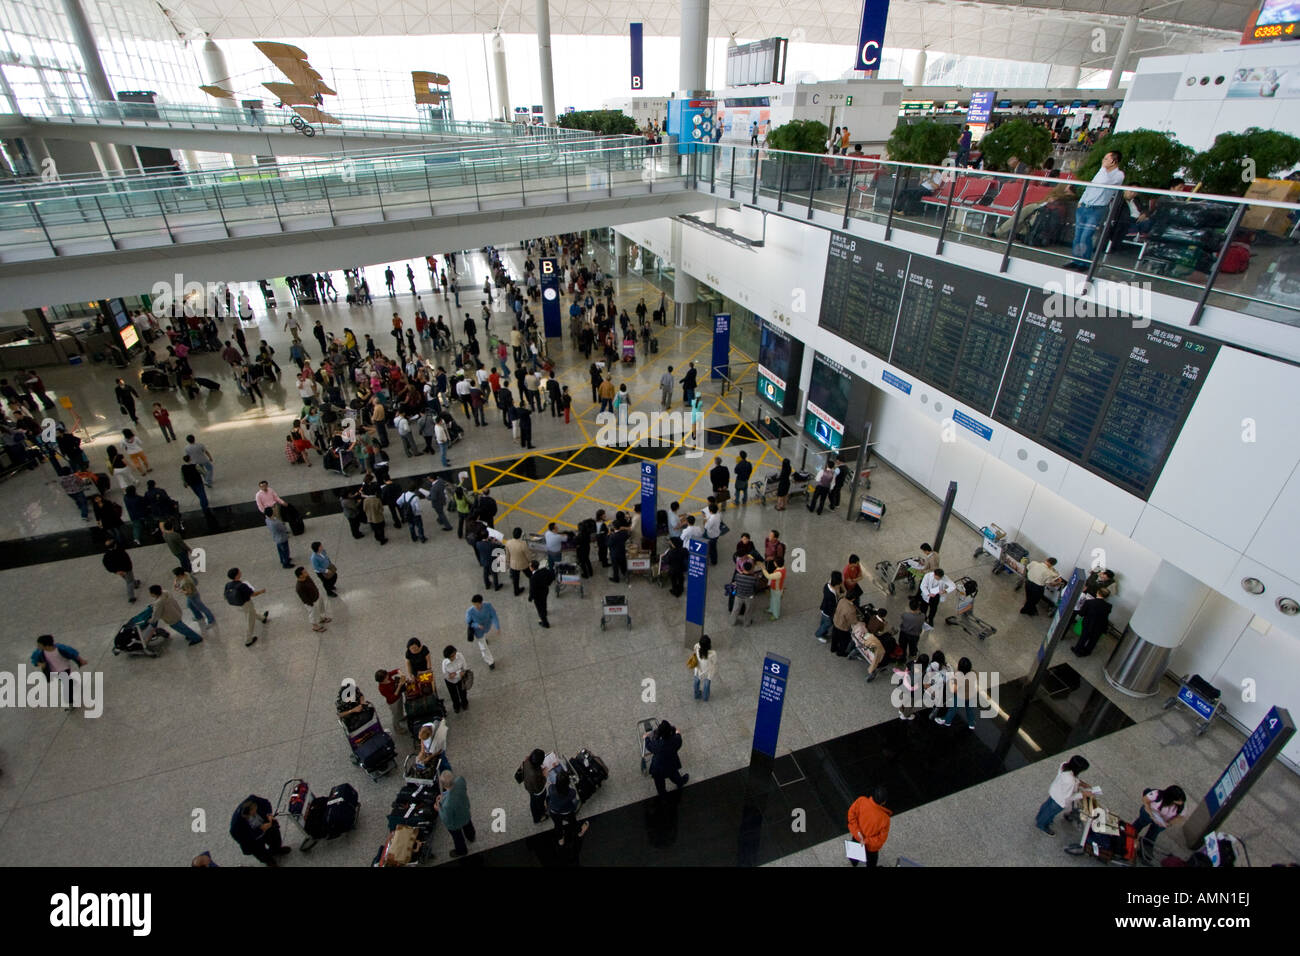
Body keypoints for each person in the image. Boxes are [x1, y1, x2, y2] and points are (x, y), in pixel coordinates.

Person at [1068, 149, 1124, 269]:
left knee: (1086, 236)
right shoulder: (1102, 172)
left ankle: (1084, 262)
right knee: (1078, 235)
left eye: (1106, 159)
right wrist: (1081, 200)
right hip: (1085, 206)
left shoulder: (1118, 175)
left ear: (1114, 161)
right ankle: (1076, 260)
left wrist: (1103, 168)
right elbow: (1091, 187)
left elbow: (1102, 182)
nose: (1103, 161)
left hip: (1097, 209)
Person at [1035, 755, 1094, 835]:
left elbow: (1074, 779)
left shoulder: (1064, 765)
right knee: (1050, 813)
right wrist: (1083, 794)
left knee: (1046, 807)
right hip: (1059, 800)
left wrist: (1082, 784)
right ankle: (1041, 825)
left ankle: (1040, 817)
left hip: (1054, 791)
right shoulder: (1070, 781)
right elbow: (1068, 797)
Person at [229, 795, 290, 865]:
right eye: (251, 815)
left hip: (266, 825)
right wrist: (260, 830)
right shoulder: (236, 826)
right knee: (260, 852)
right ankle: (269, 861)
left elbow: (266, 803)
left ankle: (276, 849)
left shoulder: (254, 799)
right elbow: (243, 838)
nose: (254, 814)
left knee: (275, 838)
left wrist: (269, 815)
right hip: (253, 839)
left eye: (255, 811)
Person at [847, 786, 891, 867]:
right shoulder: (885, 819)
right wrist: (866, 841)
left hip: (857, 838)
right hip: (871, 848)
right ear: (884, 802)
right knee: (871, 862)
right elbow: (881, 839)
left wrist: (857, 832)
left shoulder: (861, 801)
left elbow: (851, 816)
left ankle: (854, 864)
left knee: (854, 856)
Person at [225, 568, 269, 648]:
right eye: (239, 572)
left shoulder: (228, 584)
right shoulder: (242, 585)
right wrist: (261, 591)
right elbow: (253, 594)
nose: (241, 572)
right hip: (246, 604)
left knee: (251, 613)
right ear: (237, 575)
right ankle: (248, 640)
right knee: (250, 621)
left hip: (237, 605)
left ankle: (263, 618)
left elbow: (225, 596)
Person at [643, 720, 689, 796]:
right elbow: (678, 735)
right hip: (671, 763)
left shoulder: (657, 745)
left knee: (659, 783)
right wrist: (677, 733)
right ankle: (680, 782)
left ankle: (662, 794)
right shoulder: (676, 740)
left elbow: (648, 745)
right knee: (674, 775)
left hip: (658, 768)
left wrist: (646, 738)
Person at [934, 657, 980, 728]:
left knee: (953, 708)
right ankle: (971, 723)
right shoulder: (973, 673)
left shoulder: (959, 676)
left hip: (961, 696)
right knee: (969, 709)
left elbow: (953, 690)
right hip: (972, 695)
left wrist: (950, 681)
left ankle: (947, 721)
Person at [1071, 586, 1113, 657]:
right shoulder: (1109, 606)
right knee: (1094, 639)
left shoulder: (1089, 602)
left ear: (1098, 593)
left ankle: (1077, 650)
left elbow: (1082, 613)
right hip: (1100, 625)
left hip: (1089, 623)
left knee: (1084, 637)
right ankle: (1087, 651)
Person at [464, 594, 498, 670]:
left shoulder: (487, 605)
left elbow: (493, 614)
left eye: (477, 605)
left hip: (485, 627)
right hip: (477, 631)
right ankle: (490, 661)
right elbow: (469, 622)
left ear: (481, 603)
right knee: (484, 647)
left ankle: (484, 641)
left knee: (483, 642)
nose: (475, 607)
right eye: (474, 605)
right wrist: (477, 625)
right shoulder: (470, 611)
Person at [102, 537, 141, 603]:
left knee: (128, 578)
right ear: (115, 545)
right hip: (126, 569)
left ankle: (135, 583)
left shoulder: (107, 555)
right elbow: (127, 560)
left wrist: (116, 571)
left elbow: (106, 565)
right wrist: (127, 569)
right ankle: (131, 597)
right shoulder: (120, 551)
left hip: (118, 571)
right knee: (129, 582)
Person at [294, 566, 331, 632]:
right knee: (313, 614)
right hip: (311, 602)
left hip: (317, 596)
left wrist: (317, 592)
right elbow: (304, 598)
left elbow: (313, 584)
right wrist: (311, 604)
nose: (307, 573)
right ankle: (315, 626)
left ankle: (322, 618)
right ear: (300, 576)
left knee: (321, 607)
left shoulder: (307, 577)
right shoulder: (299, 587)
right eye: (305, 572)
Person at [816, 571, 844, 642]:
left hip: (824, 608)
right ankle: (818, 634)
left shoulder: (827, 585)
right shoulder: (831, 594)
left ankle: (823, 632)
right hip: (828, 612)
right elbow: (833, 606)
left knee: (823, 622)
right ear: (836, 584)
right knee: (827, 624)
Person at [527, 559, 555, 628]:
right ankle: (545, 611)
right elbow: (552, 576)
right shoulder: (544, 570)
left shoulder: (533, 578)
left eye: (530, 566)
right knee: (544, 602)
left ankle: (545, 623)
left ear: (532, 568)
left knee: (540, 609)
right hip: (545, 591)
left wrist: (530, 598)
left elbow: (532, 590)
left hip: (538, 596)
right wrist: (548, 583)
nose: (529, 567)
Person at [442, 644, 470, 713]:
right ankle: (456, 706)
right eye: (451, 656)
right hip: (450, 681)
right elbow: (446, 675)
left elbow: (465, 667)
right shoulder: (445, 663)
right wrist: (458, 673)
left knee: (463, 692)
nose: (453, 657)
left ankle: (464, 703)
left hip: (461, 679)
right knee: (453, 694)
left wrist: (455, 674)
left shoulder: (460, 656)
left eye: (454, 654)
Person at [830, 589, 858, 657]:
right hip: (842, 627)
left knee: (834, 636)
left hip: (836, 621)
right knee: (844, 641)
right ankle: (840, 653)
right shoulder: (851, 609)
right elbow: (853, 621)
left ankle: (833, 648)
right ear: (853, 598)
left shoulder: (842, 600)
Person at [504, 527, 532, 595]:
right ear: (520, 535)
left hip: (513, 564)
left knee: (515, 579)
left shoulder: (508, 543)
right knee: (530, 576)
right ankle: (533, 587)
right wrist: (530, 561)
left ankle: (516, 591)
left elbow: (507, 554)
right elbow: (528, 556)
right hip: (523, 564)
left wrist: (507, 561)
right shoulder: (523, 544)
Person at [898, 596, 926, 661]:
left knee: (902, 645)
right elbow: (922, 615)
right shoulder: (922, 616)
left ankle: (902, 657)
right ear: (918, 608)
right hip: (914, 635)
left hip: (904, 633)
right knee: (913, 646)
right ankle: (912, 655)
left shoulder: (905, 615)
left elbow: (902, 617)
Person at [692, 635, 716, 701]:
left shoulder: (697, 646)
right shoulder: (712, 653)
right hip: (708, 671)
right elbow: (714, 662)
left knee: (696, 681)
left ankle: (696, 695)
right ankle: (705, 697)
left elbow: (694, 651)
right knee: (706, 684)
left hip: (698, 669)